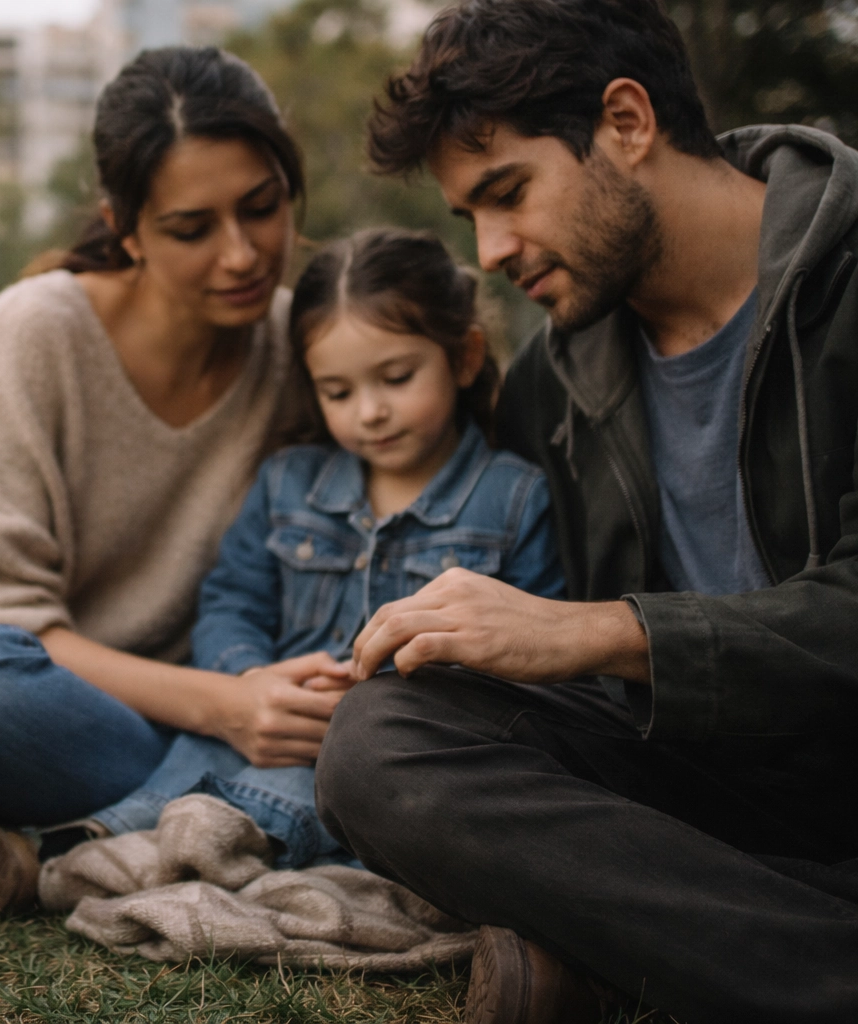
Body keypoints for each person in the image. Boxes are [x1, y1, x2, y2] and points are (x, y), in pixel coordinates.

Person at [312, 1, 858, 1022]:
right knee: (380, 742)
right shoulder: (557, 379)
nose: (490, 250)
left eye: (507, 192)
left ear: (626, 122)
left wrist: (605, 632)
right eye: (468, 214)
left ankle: (651, 957)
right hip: (706, 794)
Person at [0, 46, 347, 916]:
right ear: (125, 227)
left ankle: (68, 836)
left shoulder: (308, 346)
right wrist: (230, 709)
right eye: (193, 229)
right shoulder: (37, 330)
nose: (242, 255)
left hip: (157, 724)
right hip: (4, 699)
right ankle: (192, 815)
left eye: (263, 209)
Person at [98, 226, 566, 868]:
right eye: (338, 392)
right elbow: (232, 600)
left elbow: (538, 655)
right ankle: (96, 842)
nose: (369, 411)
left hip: (405, 746)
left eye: (396, 378)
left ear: (464, 358)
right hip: (270, 724)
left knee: (324, 794)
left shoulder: (516, 499)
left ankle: (176, 851)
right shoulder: (289, 481)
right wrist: (249, 678)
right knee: (191, 762)